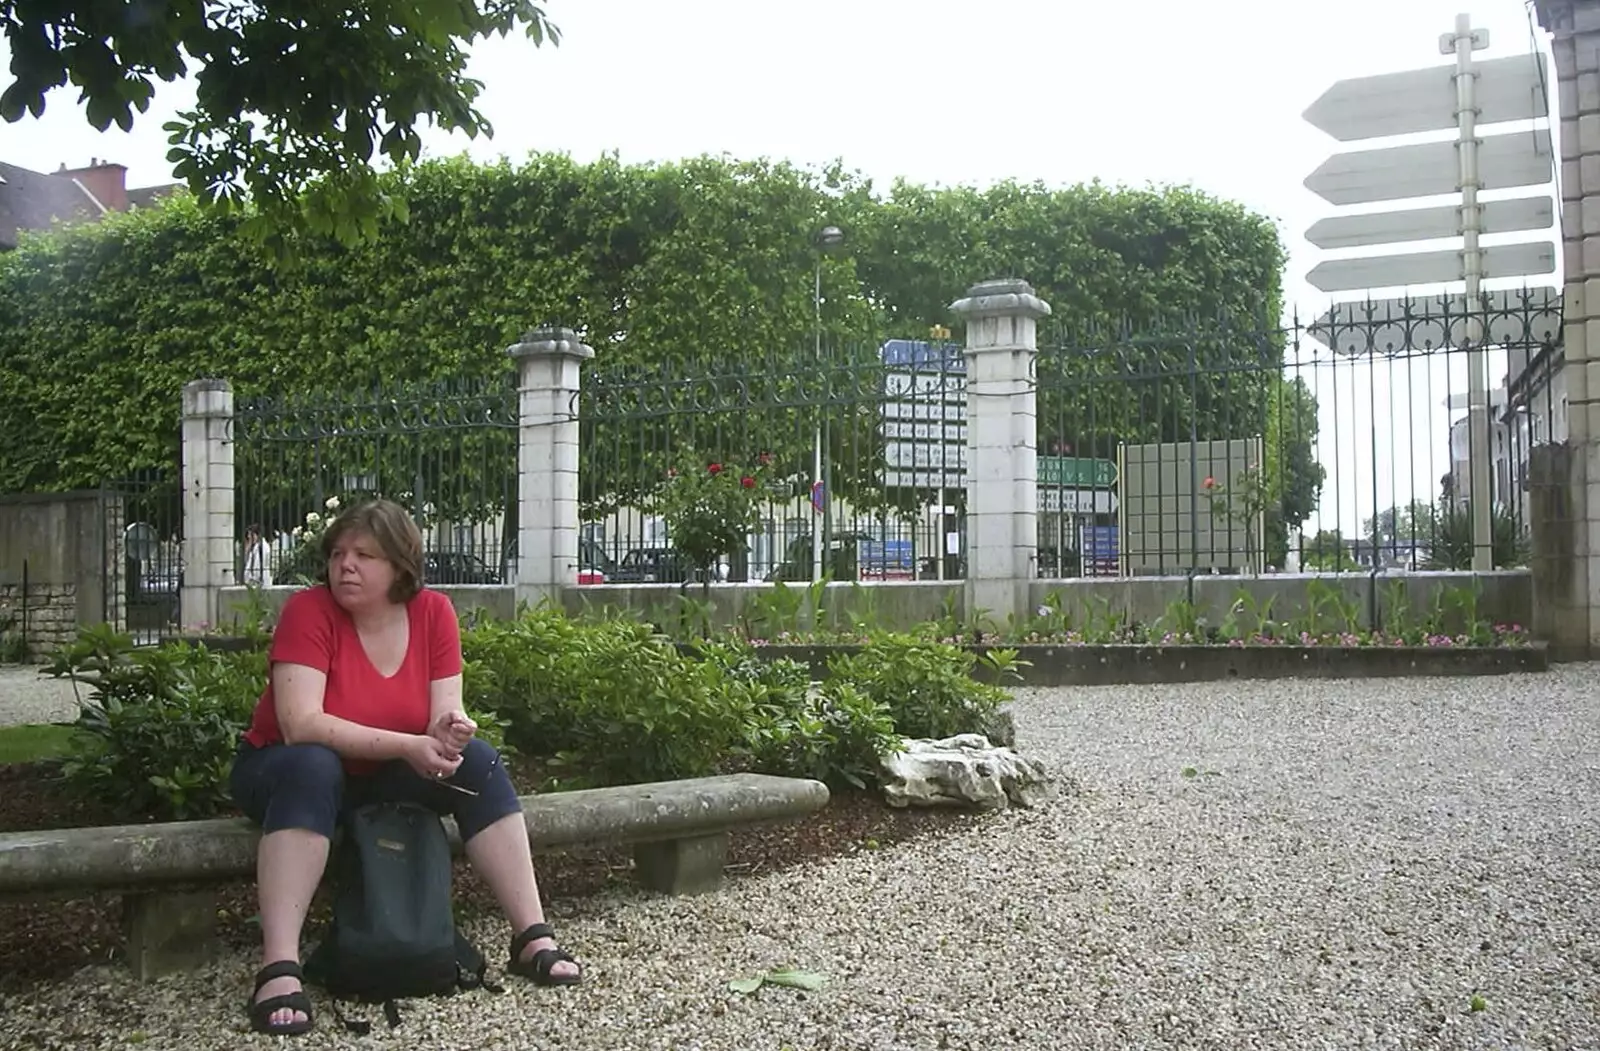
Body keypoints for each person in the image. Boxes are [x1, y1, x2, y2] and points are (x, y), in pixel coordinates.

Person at [229, 498, 582, 1037]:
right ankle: (279, 967)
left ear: (400, 565)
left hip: (379, 771)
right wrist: (408, 744)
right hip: (284, 772)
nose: (345, 564)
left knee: (479, 763)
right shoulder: (309, 611)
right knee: (313, 765)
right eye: (338, 553)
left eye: (364, 555)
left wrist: (448, 732)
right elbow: (300, 723)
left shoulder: (433, 612)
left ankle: (531, 934)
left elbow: (445, 711)